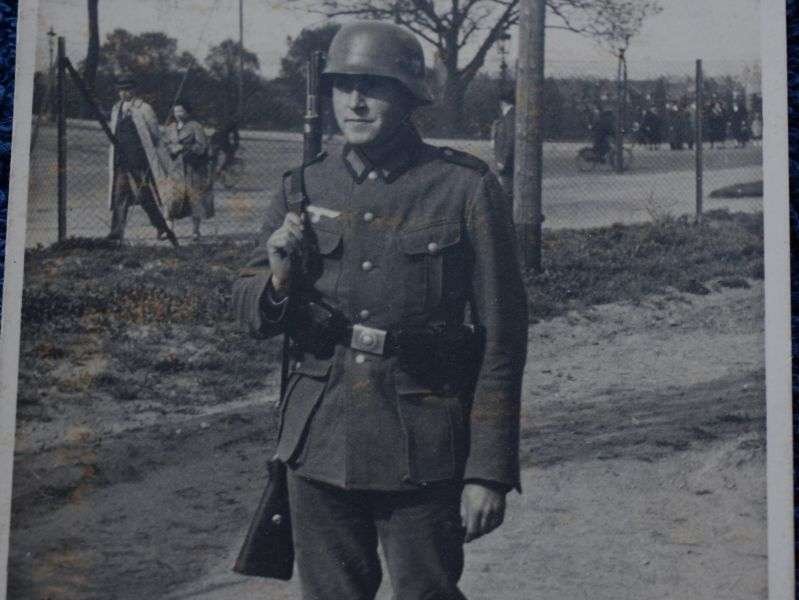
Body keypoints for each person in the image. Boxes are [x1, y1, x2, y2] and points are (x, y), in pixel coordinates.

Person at [233, 21, 528, 600]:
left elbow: (503, 335)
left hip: (420, 443)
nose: (356, 102)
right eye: (344, 86)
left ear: (409, 96)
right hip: (318, 439)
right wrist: (277, 275)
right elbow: (246, 306)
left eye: (375, 87)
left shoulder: (462, 187)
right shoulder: (303, 186)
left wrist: (488, 470)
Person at [106, 74, 176, 246]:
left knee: (143, 196)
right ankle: (116, 233)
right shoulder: (116, 109)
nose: (124, 93)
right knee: (120, 195)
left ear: (134, 90)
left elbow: (154, 135)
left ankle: (161, 226)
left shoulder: (144, 109)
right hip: (120, 160)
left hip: (139, 161)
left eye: (127, 89)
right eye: (121, 90)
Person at [164, 100, 214, 241]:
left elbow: (202, 146)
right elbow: (166, 144)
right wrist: (171, 149)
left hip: (193, 168)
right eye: (175, 111)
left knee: (195, 200)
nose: (178, 114)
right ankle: (169, 230)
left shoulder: (195, 126)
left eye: (181, 111)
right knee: (172, 199)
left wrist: (184, 149)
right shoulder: (171, 127)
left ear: (187, 112)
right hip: (175, 170)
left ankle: (195, 231)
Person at [491, 87, 516, 200]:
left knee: (506, 193)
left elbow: (510, 140)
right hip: (505, 161)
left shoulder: (510, 116)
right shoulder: (508, 116)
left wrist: (503, 161)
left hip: (507, 163)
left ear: (502, 102)